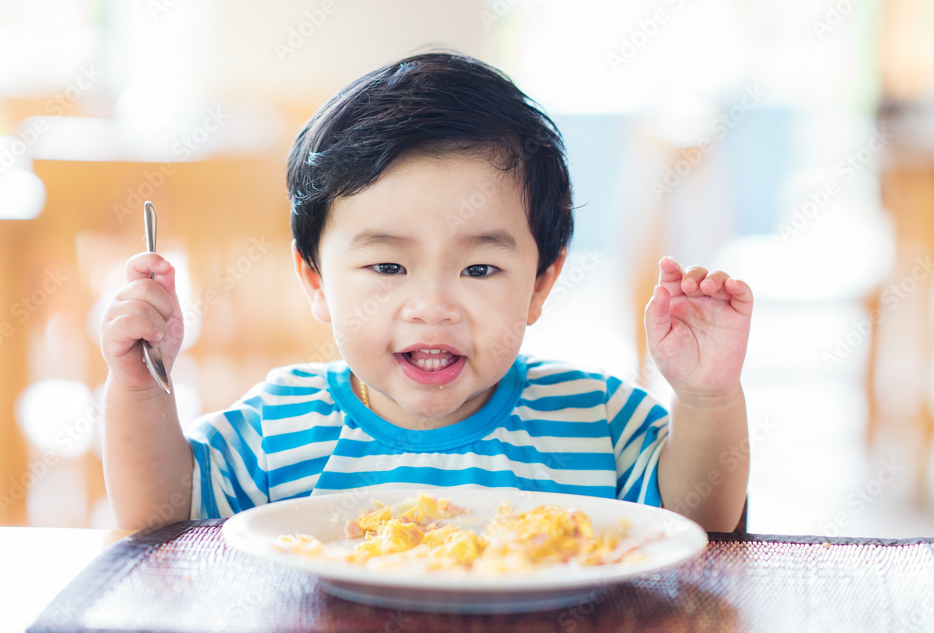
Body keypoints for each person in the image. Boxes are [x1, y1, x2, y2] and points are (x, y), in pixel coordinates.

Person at [100, 52, 753, 533]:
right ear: (315, 280)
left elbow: (700, 525)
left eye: (479, 270)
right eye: (388, 267)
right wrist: (137, 387)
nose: (433, 306)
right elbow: (160, 518)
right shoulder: (278, 428)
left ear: (541, 282)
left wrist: (705, 394)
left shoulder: (596, 423)